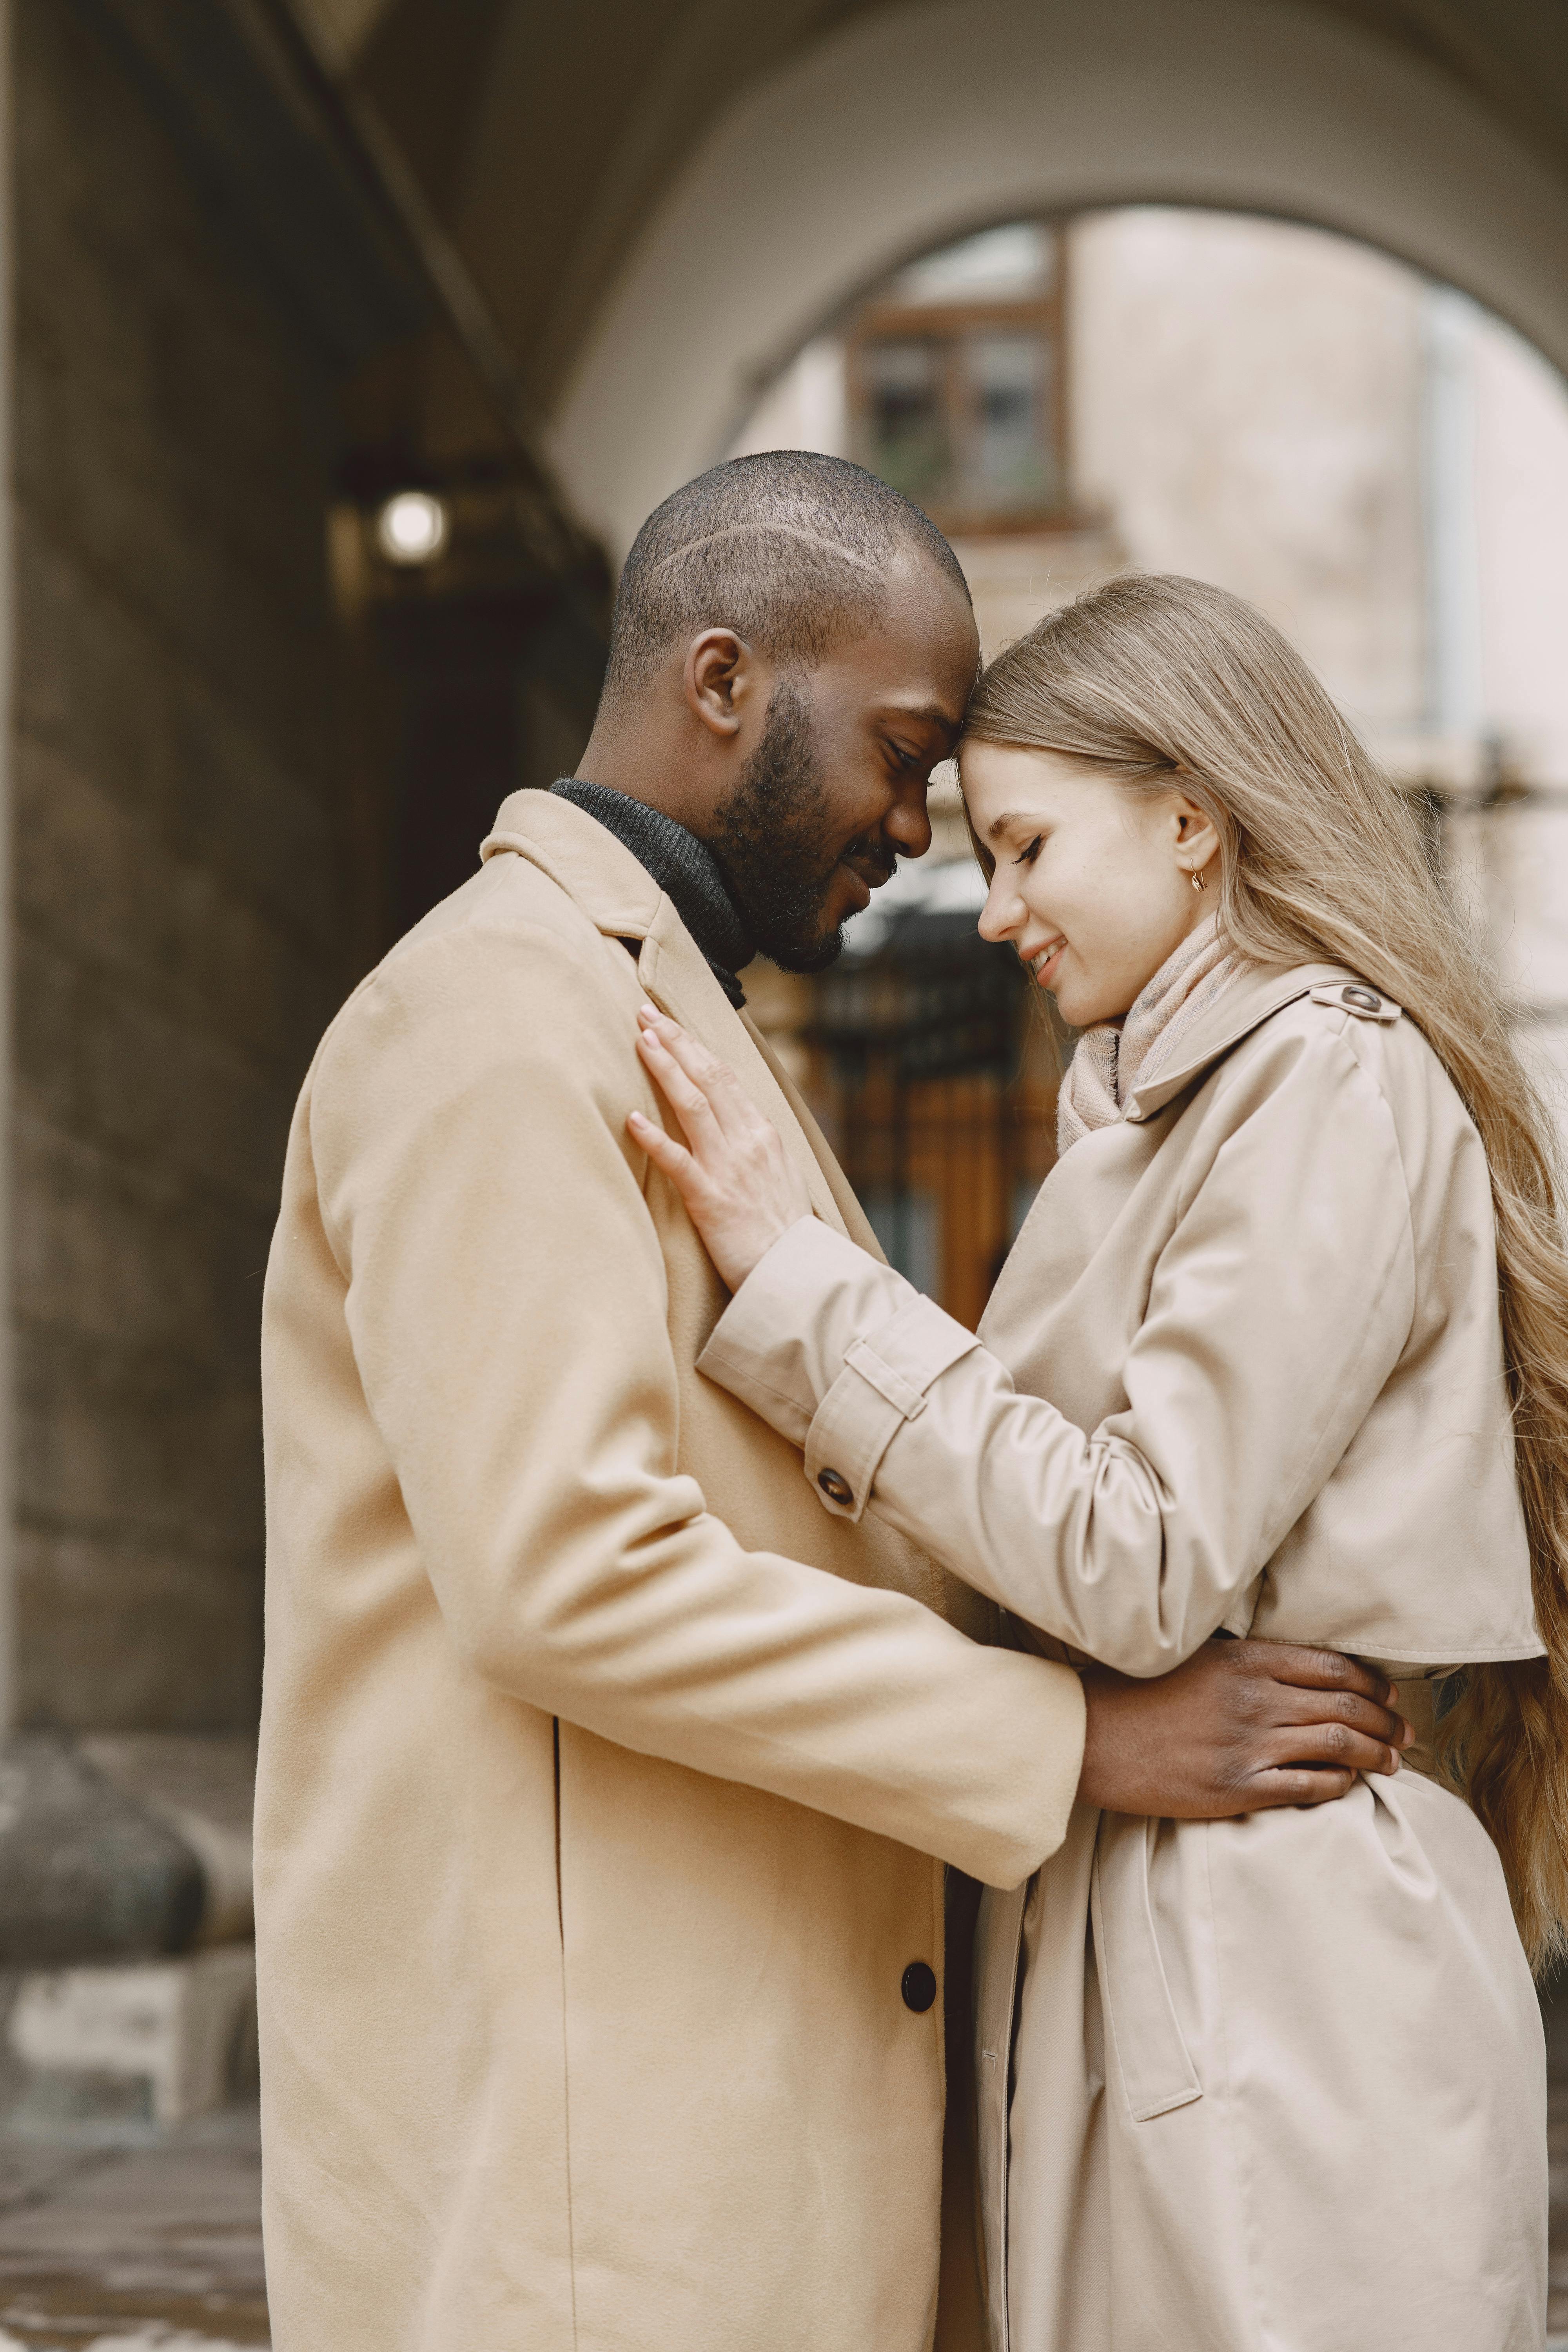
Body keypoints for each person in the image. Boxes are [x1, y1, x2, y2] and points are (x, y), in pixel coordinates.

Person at [256, 470, 1409, 2352]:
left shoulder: (682, 1024)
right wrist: (1075, 1743)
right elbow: (570, 1575)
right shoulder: (493, 1017)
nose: (921, 833)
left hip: (732, 2143)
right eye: (901, 754)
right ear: (725, 680)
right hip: (591, 2193)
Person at [631, 570, 1558, 2352]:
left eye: (1030, 848)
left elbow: (1140, 1561)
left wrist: (810, 1291)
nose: (995, 911)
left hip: (1268, 1951)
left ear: (1194, 822)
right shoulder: (1177, 1102)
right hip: (1172, 1921)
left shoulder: (1323, 1082)